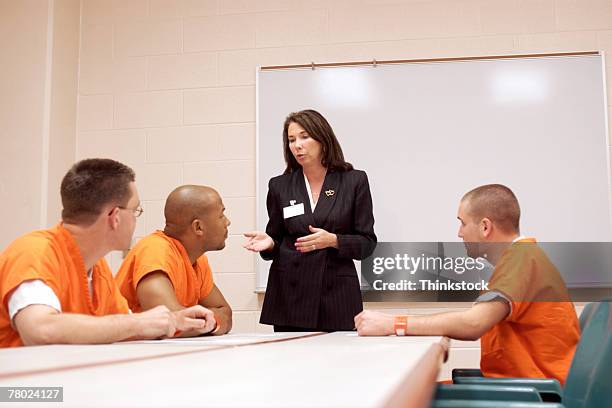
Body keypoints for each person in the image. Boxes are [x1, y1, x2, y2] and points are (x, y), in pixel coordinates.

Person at [355, 184, 580, 384]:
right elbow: (475, 317)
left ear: (485, 227)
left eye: (462, 223)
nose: (459, 233)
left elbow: (474, 324)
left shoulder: (521, 260)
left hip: (534, 393)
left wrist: (394, 324)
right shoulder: (521, 259)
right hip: (521, 385)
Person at [0, 159, 215, 348]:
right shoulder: (34, 252)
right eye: (136, 210)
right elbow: (40, 330)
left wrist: (175, 321)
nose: (136, 220)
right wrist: (140, 322)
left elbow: (120, 326)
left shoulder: (97, 268)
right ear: (115, 216)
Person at [243, 109, 377, 331]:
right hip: (290, 292)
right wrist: (270, 243)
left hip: (336, 295)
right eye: (291, 140)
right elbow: (275, 239)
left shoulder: (353, 181)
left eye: (304, 137)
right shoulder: (280, 185)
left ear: (322, 138)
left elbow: (367, 243)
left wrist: (333, 240)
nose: (297, 145)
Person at [115, 185, 232, 336]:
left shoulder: (198, 260)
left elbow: (226, 313)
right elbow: (169, 324)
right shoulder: (155, 250)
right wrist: (210, 321)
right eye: (221, 215)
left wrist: (208, 322)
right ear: (198, 227)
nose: (227, 222)